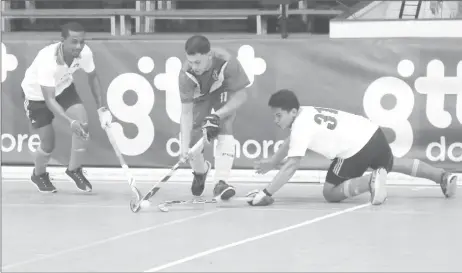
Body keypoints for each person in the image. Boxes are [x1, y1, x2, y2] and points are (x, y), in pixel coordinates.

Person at [248, 89, 458, 206]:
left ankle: (370, 181)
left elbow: (292, 165)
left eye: (278, 115)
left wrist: (267, 192)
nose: (276, 120)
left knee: (330, 193)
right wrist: (272, 162)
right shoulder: (305, 112)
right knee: (392, 163)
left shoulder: (300, 126)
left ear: (292, 112)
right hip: (373, 133)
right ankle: (442, 176)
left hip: (353, 150)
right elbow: (290, 143)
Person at [21, 22, 112, 193]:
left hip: (63, 88)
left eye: (82, 42)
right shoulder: (48, 60)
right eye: (74, 41)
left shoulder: (85, 53)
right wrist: (70, 121)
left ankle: (74, 169)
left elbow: (92, 77)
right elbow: (49, 100)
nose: (79, 46)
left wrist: (101, 109)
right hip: (37, 96)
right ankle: (38, 174)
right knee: (48, 144)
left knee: (82, 122)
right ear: (62, 41)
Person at [178, 35, 251, 200]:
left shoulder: (227, 61)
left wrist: (217, 115)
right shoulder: (186, 74)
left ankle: (221, 183)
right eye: (190, 61)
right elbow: (186, 113)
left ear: (209, 55)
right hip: (201, 96)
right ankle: (200, 172)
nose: (193, 66)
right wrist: (184, 147)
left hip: (222, 91)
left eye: (197, 62)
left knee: (224, 126)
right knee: (192, 142)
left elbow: (241, 96)